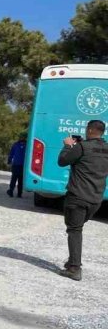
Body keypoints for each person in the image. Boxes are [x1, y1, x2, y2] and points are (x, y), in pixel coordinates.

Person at [57, 119, 108, 281]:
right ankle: (73, 261)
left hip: (78, 197)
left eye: (87, 129)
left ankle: (74, 268)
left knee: (74, 230)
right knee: (77, 228)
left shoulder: (82, 147)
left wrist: (67, 145)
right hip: (96, 199)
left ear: (91, 131)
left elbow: (62, 161)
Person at [7, 132, 27, 198]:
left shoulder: (15, 145)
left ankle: (11, 191)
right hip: (23, 165)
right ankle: (19, 194)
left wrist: (9, 161)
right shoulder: (28, 145)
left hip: (16, 164)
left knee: (14, 178)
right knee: (20, 180)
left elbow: (11, 154)